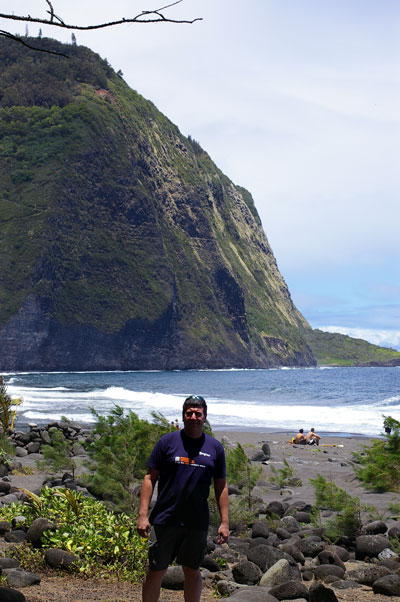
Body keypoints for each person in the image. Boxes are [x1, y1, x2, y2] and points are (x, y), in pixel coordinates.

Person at [137, 395, 229, 602]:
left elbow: (221, 485)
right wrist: (143, 515)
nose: (194, 417)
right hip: (165, 519)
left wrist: (224, 522)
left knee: (192, 570)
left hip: (196, 521)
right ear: (183, 416)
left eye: (198, 413)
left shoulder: (215, 448)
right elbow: (150, 478)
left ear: (205, 417)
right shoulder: (167, 442)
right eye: (189, 413)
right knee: (156, 571)